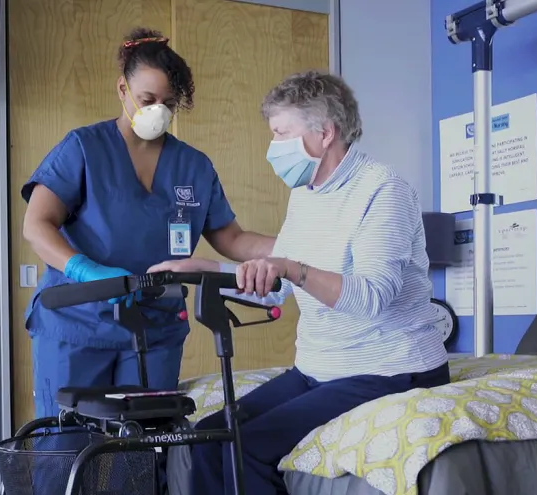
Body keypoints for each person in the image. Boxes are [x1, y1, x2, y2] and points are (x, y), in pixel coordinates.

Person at [150, 70, 451, 495]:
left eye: (281, 134)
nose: (274, 148)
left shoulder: (384, 191)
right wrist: (205, 271)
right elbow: (275, 283)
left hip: (390, 368)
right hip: (318, 368)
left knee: (248, 446)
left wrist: (296, 268)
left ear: (325, 133)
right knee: (211, 437)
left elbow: (371, 298)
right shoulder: (306, 194)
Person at [21, 27, 276, 421]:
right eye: (147, 99)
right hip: (77, 322)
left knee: (143, 451)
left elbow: (232, 238)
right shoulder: (83, 148)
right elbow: (37, 224)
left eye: (168, 102)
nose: (158, 110)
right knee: (69, 448)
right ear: (122, 89)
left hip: (155, 329)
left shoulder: (193, 165)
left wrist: (300, 244)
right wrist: (85, 271)